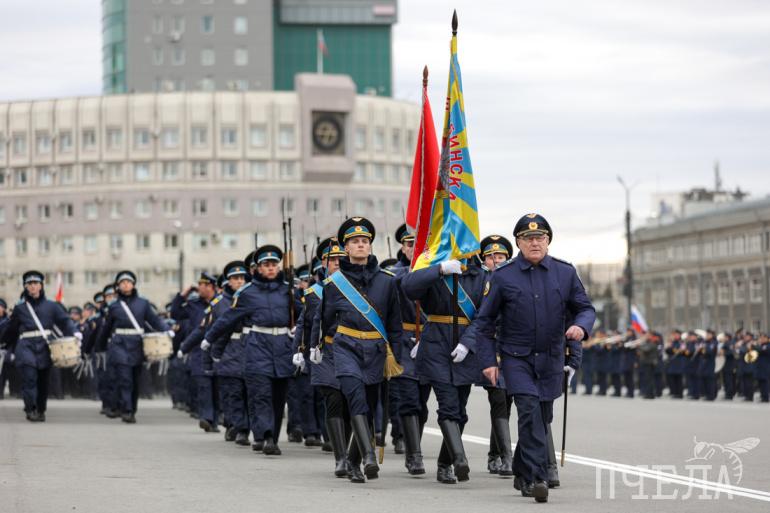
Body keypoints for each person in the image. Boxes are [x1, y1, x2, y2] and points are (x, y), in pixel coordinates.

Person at [476, 214, 595, 503]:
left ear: (548, 240)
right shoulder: (503, 276)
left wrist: (581, 327)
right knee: (528, 411)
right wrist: (488, 361)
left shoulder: (565, 273)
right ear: (518, 243)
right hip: (516, 358)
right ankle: (537, 477)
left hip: (551, 358)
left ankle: (521, 470)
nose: (535, 242)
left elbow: (585, 308)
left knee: (542, 417)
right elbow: (485, 322)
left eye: (540, 237)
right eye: (528, 238)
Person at [317, 217, 403, 483]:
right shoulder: (334, 283)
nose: (361, 245)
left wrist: (397, 356)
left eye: (365, 241)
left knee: (369, 403)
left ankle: (353, 463)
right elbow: (325, 320)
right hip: (346, 348)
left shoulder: (387, 281)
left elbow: (394, 323)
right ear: (346, 247)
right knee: (356, 399)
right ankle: (368, 456)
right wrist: (316, 347)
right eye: (355, 241)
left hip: (376, 350)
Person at [401, 233, 486, 485]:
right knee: (448, 405)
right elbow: (409, 287)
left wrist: (468, 343)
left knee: (461, 411)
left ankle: (444, 464)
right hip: (436, 343)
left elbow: (485, 316)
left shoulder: (481, 277)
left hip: (466, 345)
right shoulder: (435, 267)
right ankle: (460, 459)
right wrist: (438, 270)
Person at [203, 245, 297, 455]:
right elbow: (228, 318)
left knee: (278, 398)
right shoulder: (248, 293)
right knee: (261, 395)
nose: (271, 268)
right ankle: (267, 437)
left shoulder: (288, 290)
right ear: (258, 268)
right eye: (266, 265)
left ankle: (271, 436)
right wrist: (210, 338)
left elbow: (303, 316)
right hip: (257, 349)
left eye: (274, 264)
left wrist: (298, 329)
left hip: (282, 349)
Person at [302, 237, 354, 478]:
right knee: (333, 399)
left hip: (352, 349)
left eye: (341, 259)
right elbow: (307, 323)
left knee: (350, 403)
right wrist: (303, 349)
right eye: (333, 260)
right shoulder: (315, 292)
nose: (337, 263)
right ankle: (340, 457)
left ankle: (350, 453)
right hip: (327, 350)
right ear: (323, 263)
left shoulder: (356, 288)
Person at [0, 271, 80, 421]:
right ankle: (31, 409)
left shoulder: (52, 306)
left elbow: (65, 321)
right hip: (26, 346)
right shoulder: (20, 308)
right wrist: (3, 342)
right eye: (29, 284)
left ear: (41, 285)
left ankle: (41, 410)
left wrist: (75, 332)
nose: (33, 286)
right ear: (25, 287)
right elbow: (12, 329)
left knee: (43, 381)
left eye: (36, 283)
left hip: (45, 347)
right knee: (29, 378)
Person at [94, 271, 170, 423]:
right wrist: (100, 347)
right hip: (119, 344)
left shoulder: (143, 303)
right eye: (122, 282)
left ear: (133, 284)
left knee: (134, 379)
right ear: (118, 286)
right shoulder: (114, 306)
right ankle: (127, 410)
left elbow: (154, 320)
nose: (125, 284)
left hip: (137, 344)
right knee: (125, 378)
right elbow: (107, 328)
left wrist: (166, 330)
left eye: (128, 282)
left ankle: (131, 408)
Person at [389, 224, 430, 476]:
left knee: (422, 403)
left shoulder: (436, 272)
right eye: (409, 244)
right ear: (403, 248)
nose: (413, 248)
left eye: (418, 244)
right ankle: (413, 455)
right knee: (408, 398)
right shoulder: (393, 275)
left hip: (431, 340)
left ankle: (415, 442)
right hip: (404, 340)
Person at [474, 235, 515, 478]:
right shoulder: (481, 282)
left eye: (500, 256)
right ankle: (505, 457)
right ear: (484, 261)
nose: (496, 260)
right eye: (491, 257)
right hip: (491, 349)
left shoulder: (513, 280)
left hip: (513, 350)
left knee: (507, 403)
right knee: (498, 399)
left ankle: (495, 453)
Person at [208, 262, 250, 445]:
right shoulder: (219, 303)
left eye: (242, 278)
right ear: (228, 281)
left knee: (249, 394)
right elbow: (214, 331)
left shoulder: (252, 297)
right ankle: (237, 427)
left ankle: (243, 426)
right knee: (233, 394)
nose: (239, 281)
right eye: (235, 278)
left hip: (249, 347)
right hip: (228, 350)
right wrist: (212, 358)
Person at [177, 272, 219, 432]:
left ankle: (215, 420)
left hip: (218, 350)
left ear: (211, 287)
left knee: (217, 387)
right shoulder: (193, 304)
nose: (199, 288)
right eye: (199, 285)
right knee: (203, 386)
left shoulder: (221, 303)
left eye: (202, 285)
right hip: (199, 351)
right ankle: (206, 418)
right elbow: (175, 313)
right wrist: (183, 294)